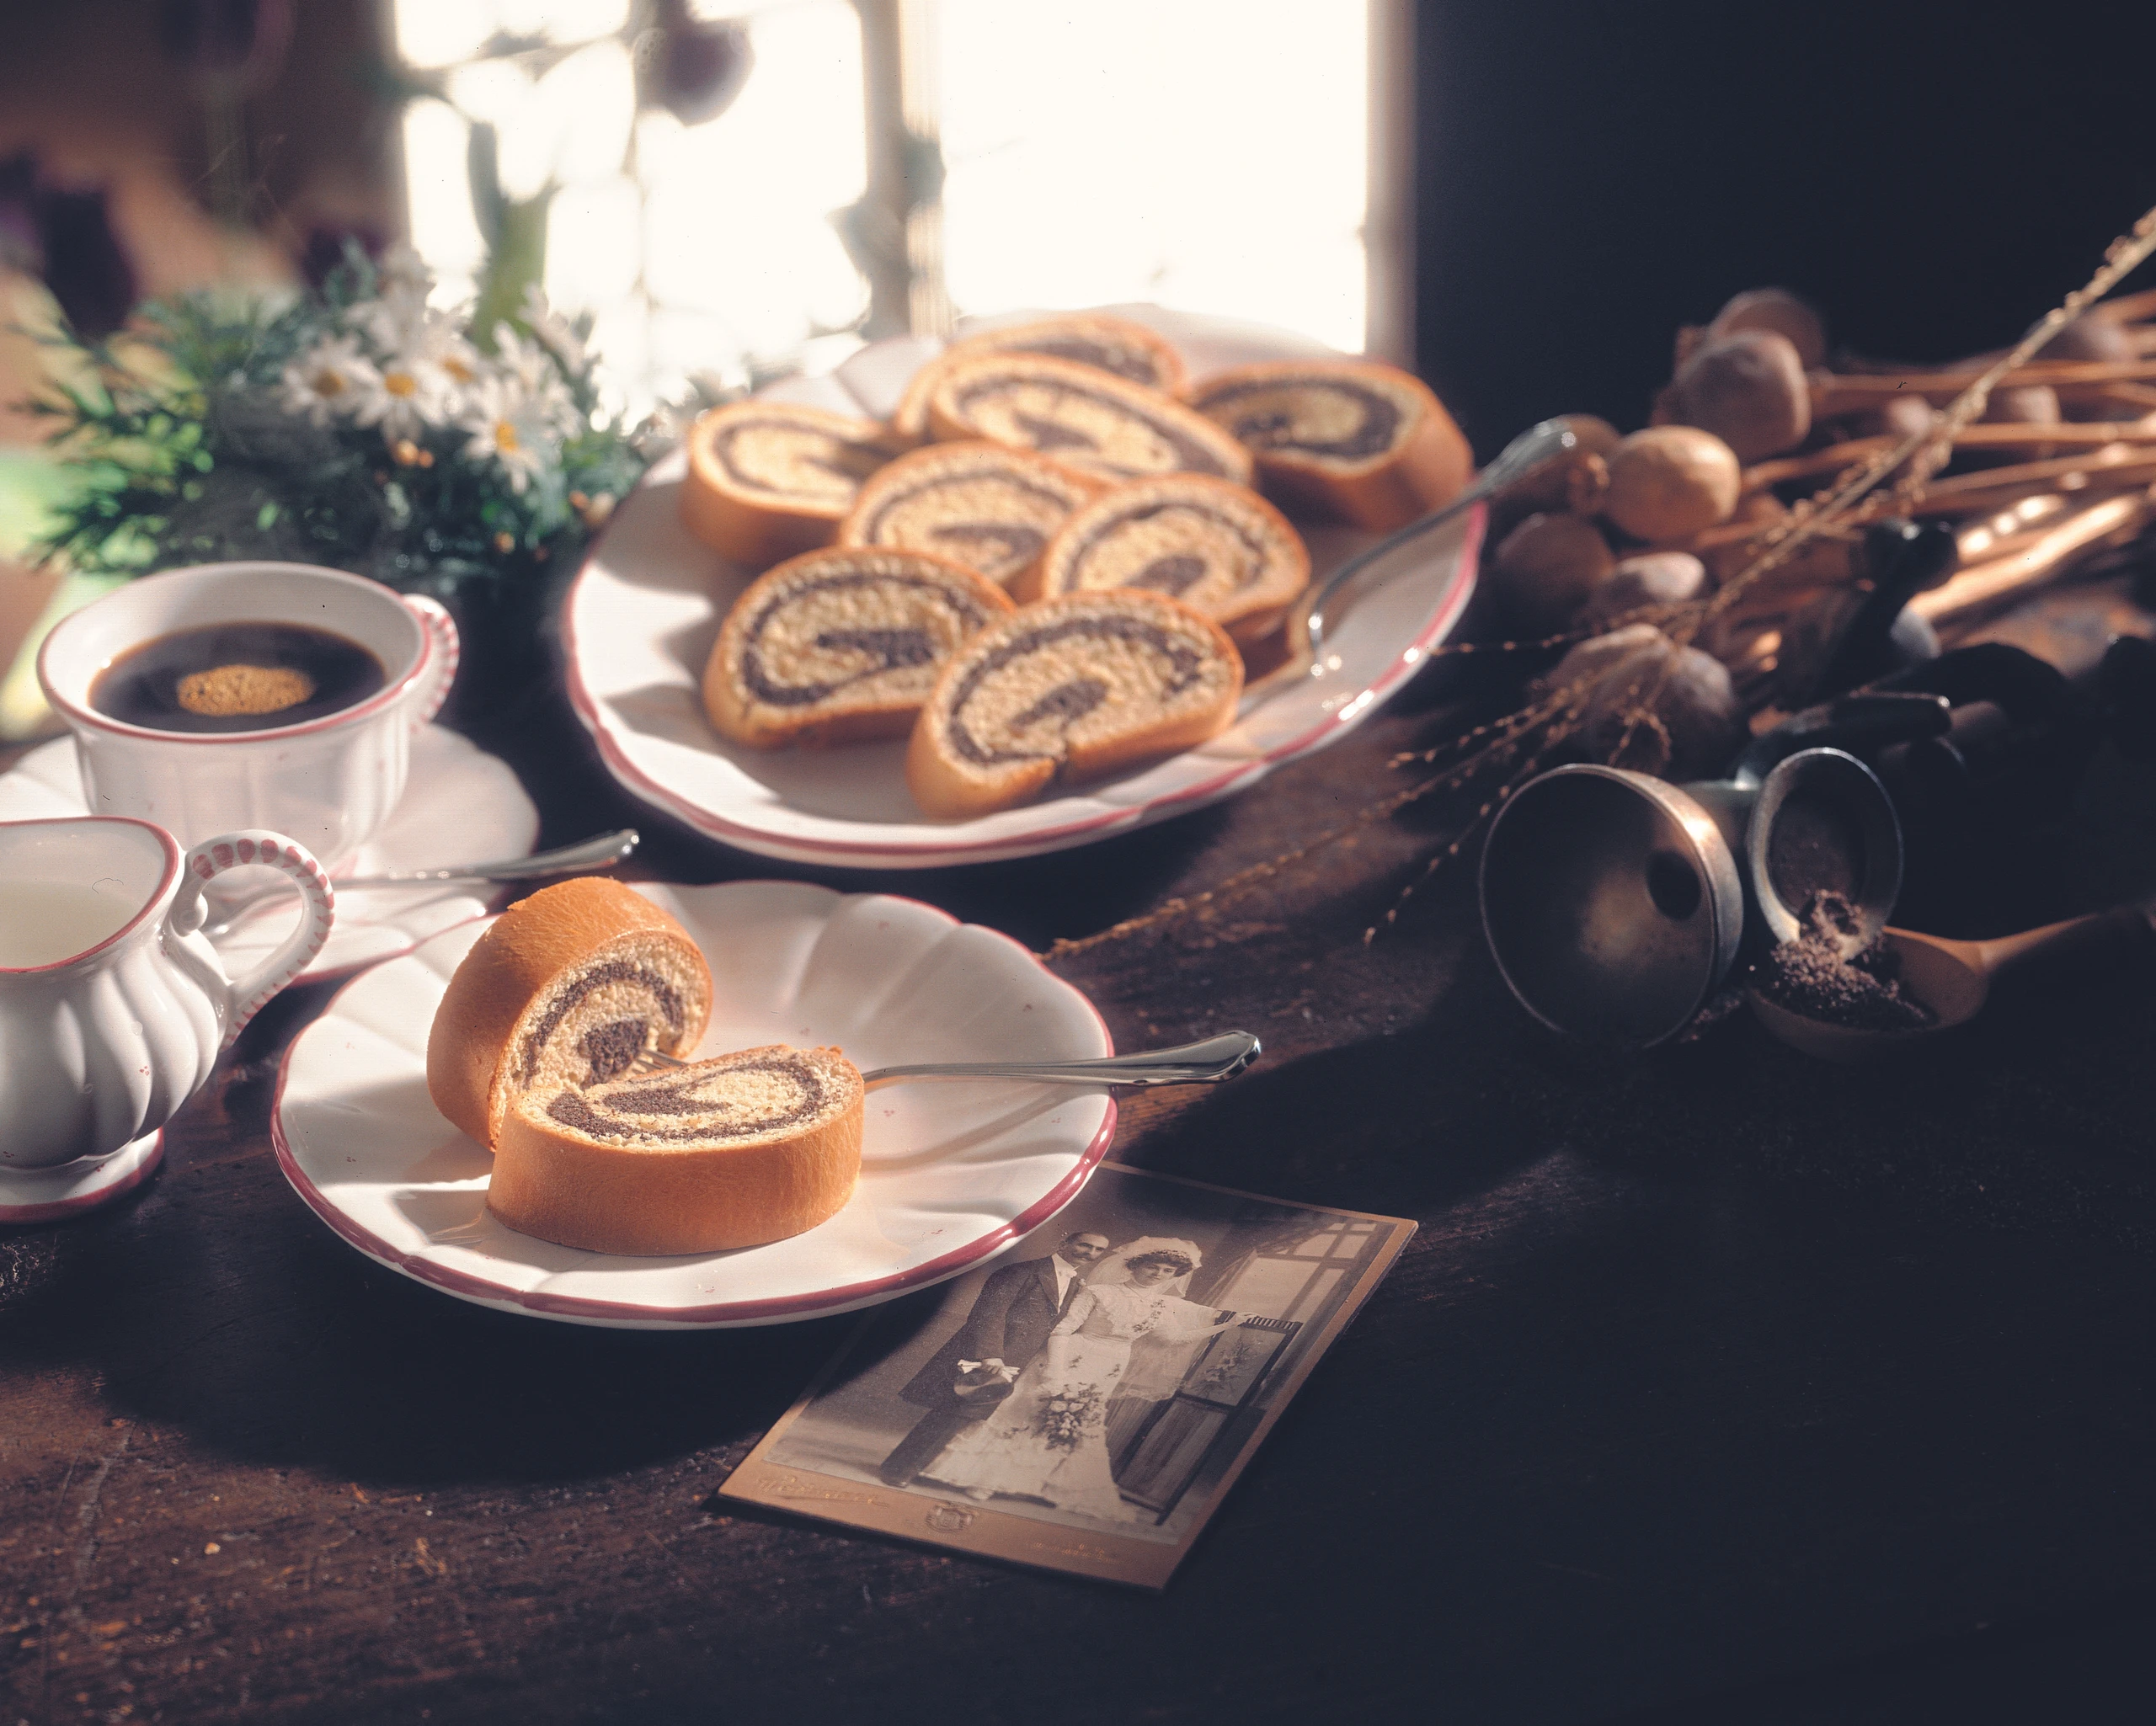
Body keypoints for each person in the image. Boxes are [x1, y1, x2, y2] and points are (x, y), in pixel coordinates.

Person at [930, 1239, 1246, 1521]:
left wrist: (1222, 1328)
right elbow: (1062, 1330)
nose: (1158, 1274)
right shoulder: (1099, 1292)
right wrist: (1056, 1369)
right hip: (1071, 1354)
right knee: (1027, 1411)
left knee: (1077, 1420)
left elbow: (1173, 1339)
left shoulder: (1164, 1305)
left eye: (1166, 1271)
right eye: (1152, 1267)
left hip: (1110, 1365)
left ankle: (1041, 1484)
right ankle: (984, 1481)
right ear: (1136, 1266)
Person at [878, 1230, 1112, 1489]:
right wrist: (990, 1354)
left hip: (1015, 1360)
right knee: (949, 1414)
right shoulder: (1021, 1271)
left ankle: (909, 1467)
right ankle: (898, 1471)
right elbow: (990, 1313)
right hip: (987, 1355)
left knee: (961, 1417)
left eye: (1098, 1250)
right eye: (1084, 1245)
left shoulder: (1076, 1282)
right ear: (1064, 1243)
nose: (1090, 1253)